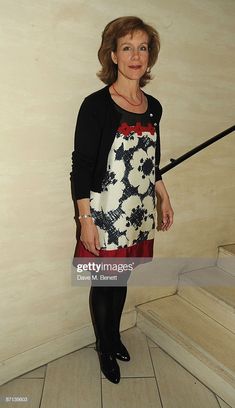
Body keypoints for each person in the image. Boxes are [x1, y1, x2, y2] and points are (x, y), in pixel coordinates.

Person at [71, 16, 174, 384]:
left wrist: (163, 197)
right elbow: (81, 168)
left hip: (139, 209)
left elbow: (153, 161)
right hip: (105, 212)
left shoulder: (154, 107)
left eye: (142, 47)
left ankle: (114, 337)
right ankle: (104, 345)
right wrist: (85, 220)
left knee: (122, 275)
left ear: (149, 57)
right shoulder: (96, 105)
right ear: (113, 55)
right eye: (127, 47)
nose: (135, 55)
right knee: (105, 280)